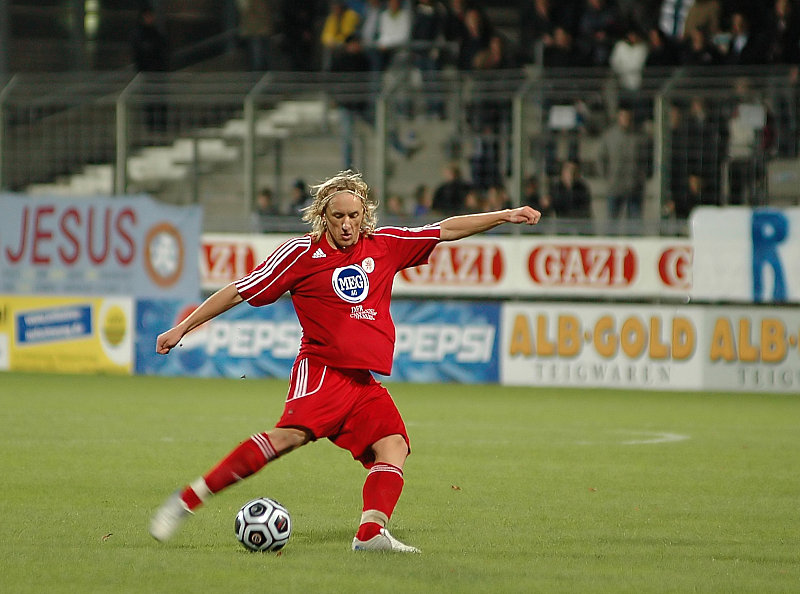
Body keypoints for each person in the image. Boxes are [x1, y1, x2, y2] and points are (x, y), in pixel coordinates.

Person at [148, 170, 542, 552]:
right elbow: (238, 291)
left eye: (354, 216)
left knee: (393, 445)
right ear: (324, 216)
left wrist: (504, 215)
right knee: (288, 438)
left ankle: (370, 535)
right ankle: (183, 502)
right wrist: (182, 327)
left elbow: (445, 229)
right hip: (321, 371)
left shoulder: (384, 243)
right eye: (338, 216)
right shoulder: (301, 253)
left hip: (361, 382)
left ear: (364, 215)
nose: (347, 225)